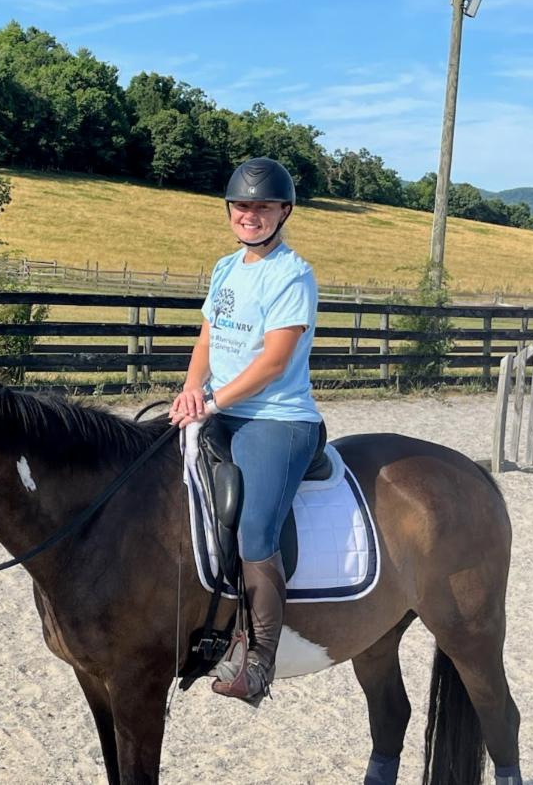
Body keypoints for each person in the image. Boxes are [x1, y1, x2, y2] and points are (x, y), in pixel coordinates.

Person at [169, 157, 323, 706]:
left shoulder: (292, 275)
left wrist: (209, 401)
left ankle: (259, 659)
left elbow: (273, 363)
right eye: (241, 206)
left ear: (283, 211)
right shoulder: (225, 268)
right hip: (220, 408)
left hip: (277, 419)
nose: (249, 215)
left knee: (256, 530)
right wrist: (191, 390)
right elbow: (207, 341)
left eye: (261, 207)